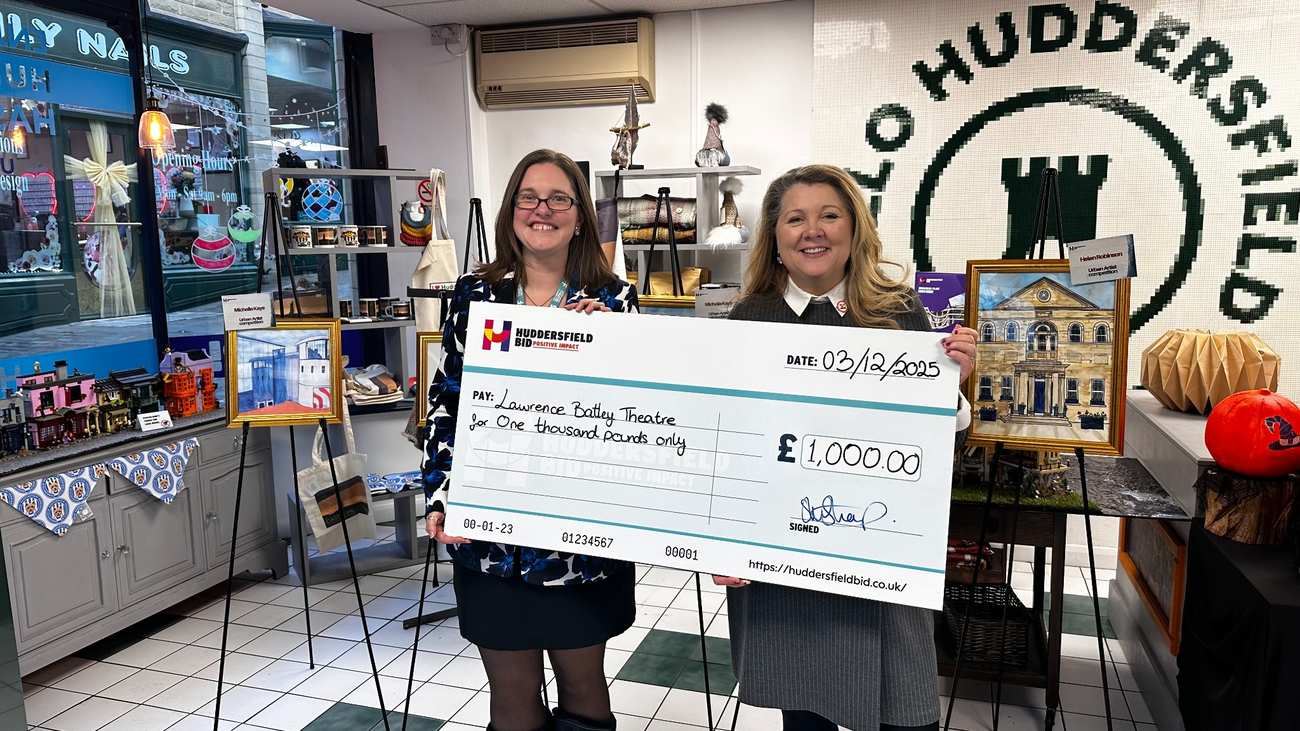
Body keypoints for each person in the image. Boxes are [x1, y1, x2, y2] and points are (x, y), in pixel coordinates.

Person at [716, 164, 977, 731]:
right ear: (776, 237)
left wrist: (949, 387)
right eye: (795, 219)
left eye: (829, 215)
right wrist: (721, 542)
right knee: (804, 713)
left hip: (878, 548)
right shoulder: (748, 317)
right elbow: (727, 442)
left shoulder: (899, 312)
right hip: (785, 558)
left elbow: (939, 447)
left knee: (906, 712)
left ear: (854, 229)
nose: (813, 230)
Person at [422, 149, 637, 731]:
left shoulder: (614, 299)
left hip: (580, 539)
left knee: (585, 690)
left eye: (559, 198)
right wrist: (441, 494)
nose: (543, 210)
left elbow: (635, 416)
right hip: (492, 536)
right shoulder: (474, 294)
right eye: (529, 198)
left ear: (580, 215)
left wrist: (611, 346)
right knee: (511, 698)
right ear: (511, 210)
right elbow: (448, 401)